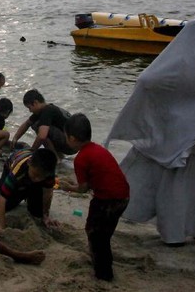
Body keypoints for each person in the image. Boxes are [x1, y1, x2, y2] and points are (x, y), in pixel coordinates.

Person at [105, 21, 195, 248]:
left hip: (176, 137)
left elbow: (146, 80)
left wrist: (162, 113)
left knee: (175, 190)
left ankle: (173, 235)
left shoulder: (176, 62)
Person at [58, 114, 129, 281]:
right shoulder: (98, 149)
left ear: (72, 138)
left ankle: (104, 275)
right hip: (123, 196)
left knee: (95, 234)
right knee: (104, 232)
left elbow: (82, 189)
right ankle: (103, 261)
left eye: (66, 137)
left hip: (107, 200)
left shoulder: (81, 158)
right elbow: (97, 178)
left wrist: (68, 187)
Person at [0, 148, 59, 232]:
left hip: (30, 174)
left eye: (41, 177)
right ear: (29, 163)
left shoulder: (49, 172)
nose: (37, 179)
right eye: (35, 175)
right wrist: (1, 227)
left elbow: (48, 193)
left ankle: (27, 192)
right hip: (12, 164)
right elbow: (2, 198)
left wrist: (45, 215)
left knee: (37, 213)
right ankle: (23, 192)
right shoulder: (18, 170)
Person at [11, 89, 73, 159]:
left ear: (35, 103)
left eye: (29, 107)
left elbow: (42, 136)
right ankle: (59, 156)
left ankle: (55, 158)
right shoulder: (44, 109)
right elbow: (27, 124)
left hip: (71, 145)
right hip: (73, 142)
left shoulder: (48, 111)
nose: (30, 111)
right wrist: (15, 138)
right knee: (38, 125)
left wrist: (31, 152)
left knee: (39, 128)